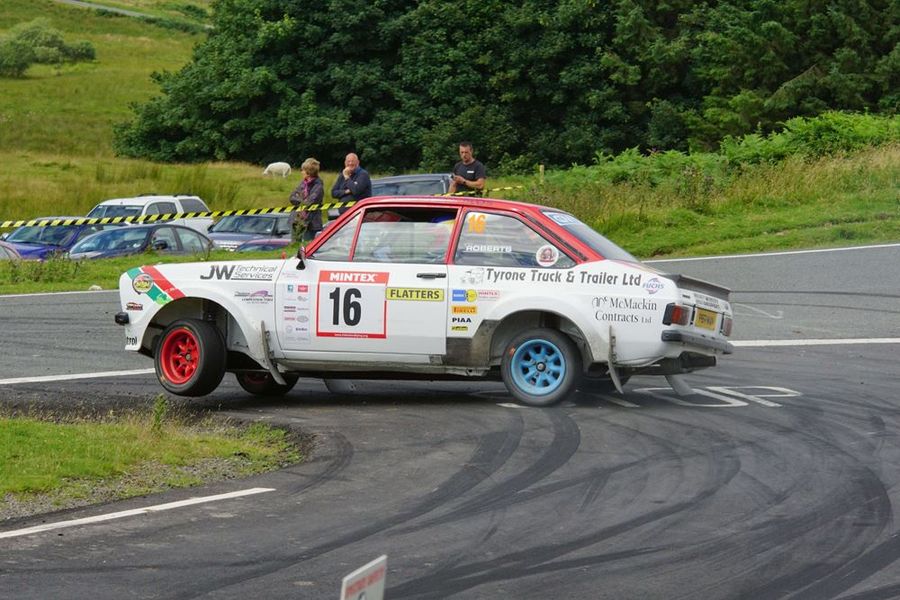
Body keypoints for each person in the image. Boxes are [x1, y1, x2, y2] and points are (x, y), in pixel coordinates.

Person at [289, 158, 325, 242]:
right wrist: (303, 200)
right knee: (294, 245)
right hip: (297, 220)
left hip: (311, 223)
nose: (301, 172)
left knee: (308, 246)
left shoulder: (318, 186)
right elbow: (292, 197)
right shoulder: (303, 183)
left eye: (303, 170)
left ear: (309, 173)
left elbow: (311, 201)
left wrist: (301, 200)